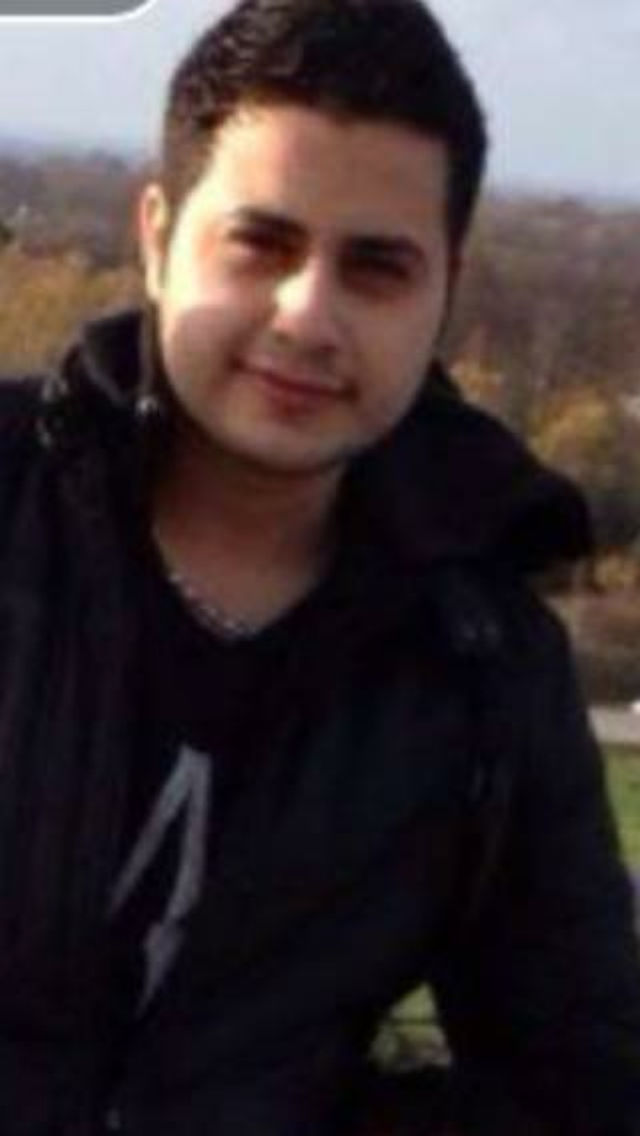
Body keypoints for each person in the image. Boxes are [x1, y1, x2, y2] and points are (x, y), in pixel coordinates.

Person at [0, 0, 638, 1133]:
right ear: (156, 236)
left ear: (445, 289)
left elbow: (578, 1082)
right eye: (262, 244)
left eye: (376, 268)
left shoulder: (483, 667)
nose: (308, 315)